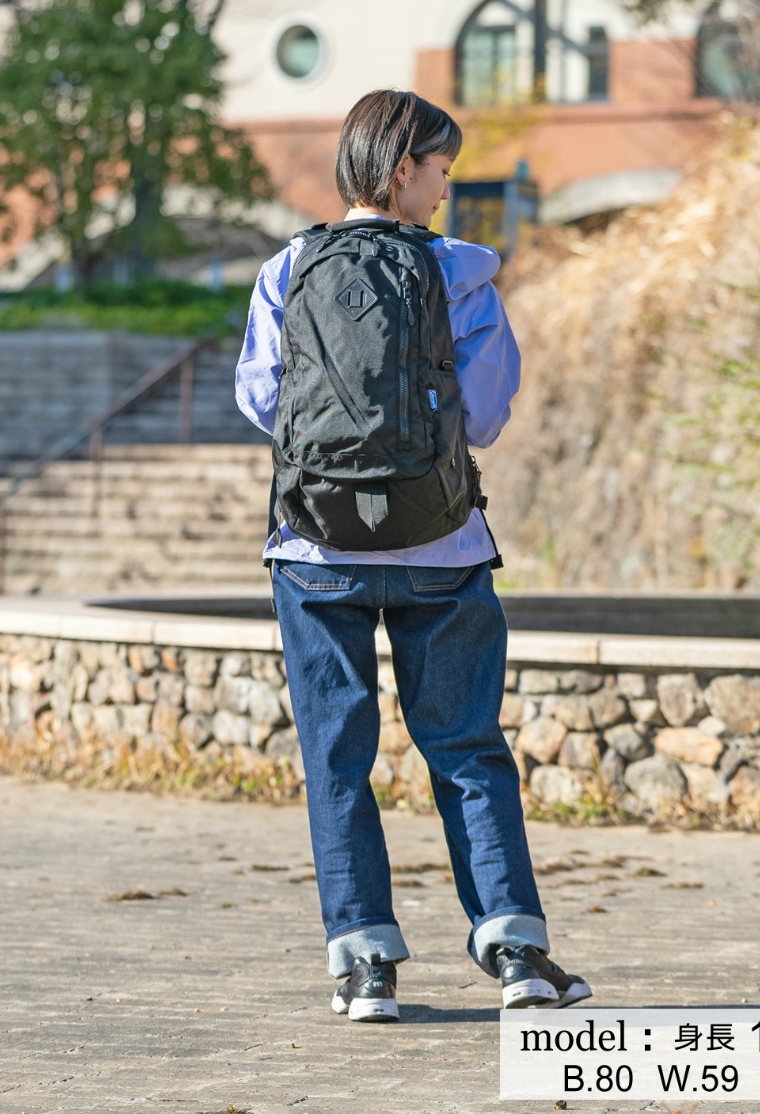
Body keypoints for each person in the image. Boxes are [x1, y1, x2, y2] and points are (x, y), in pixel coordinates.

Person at [236, 89, 591, 1023]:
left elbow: (262, 400)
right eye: (439, 169)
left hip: (314, 550)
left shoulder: (287, 268)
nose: (444, 187)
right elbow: (485, 415)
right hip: (444, 546)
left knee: (337, 755)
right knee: (468, 748)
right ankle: (514, 946)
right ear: (403, 170)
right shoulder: (462, 273)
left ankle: (365, 968)